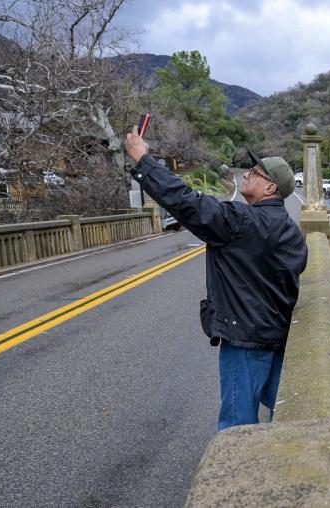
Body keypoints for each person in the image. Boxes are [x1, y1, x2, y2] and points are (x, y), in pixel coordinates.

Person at [124, 127, 308, 430]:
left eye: (256, 172)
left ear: (270, 189)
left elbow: (187, 202)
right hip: (278, 336)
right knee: (287, 414)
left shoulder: (240, 221)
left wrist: (144, 160)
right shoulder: (290, 230)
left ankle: (238, 477)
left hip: (245, 341)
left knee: (237, 427)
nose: (246, 174)